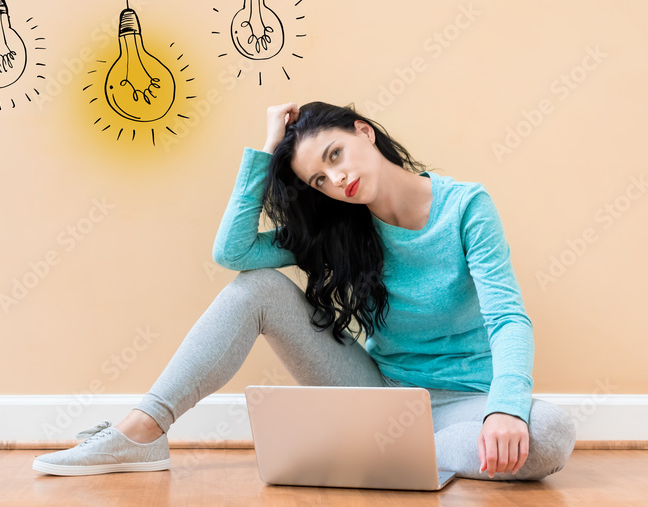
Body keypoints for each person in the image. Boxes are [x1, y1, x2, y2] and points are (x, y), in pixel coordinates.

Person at [33, 101, 577, 480]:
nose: (335, 180)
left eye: (334, 155)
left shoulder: (465, 207)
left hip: (467, 403)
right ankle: (142, 431)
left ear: (363, 131)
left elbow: (508, 318)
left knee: (549, 431)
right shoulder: (338, 229)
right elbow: (234, 253)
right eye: (319, 179)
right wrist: (267, 150)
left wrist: (504, 410)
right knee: (259, 288)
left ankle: (382, 456)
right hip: (380, 396)